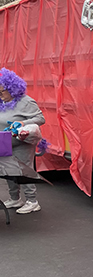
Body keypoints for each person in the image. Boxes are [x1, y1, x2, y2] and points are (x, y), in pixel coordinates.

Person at [0, 68, 45, 214]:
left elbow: (40, 119)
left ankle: (32, 201)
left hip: (22, 143)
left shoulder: (26, 102)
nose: (0, 95)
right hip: (5, 142)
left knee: (25, 171)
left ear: (12, 89)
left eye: (2, 92)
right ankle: (15, 198)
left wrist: (23, 123)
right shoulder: (2, 102)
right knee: (9, 170)